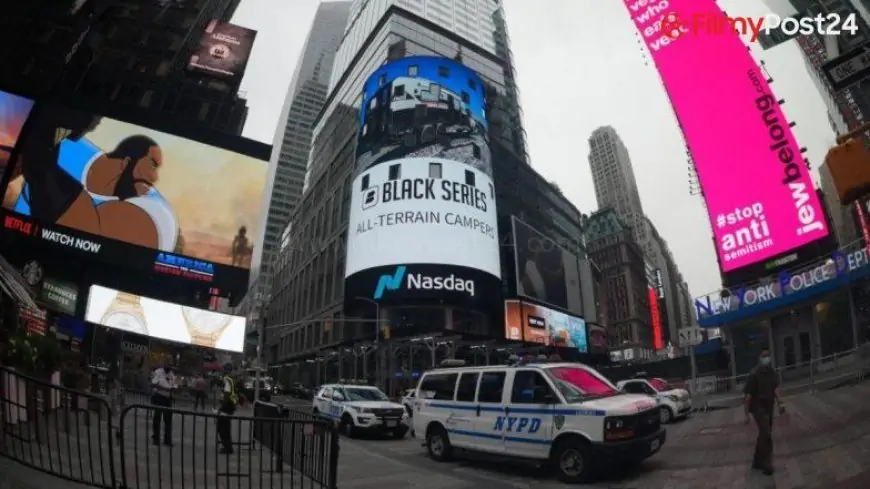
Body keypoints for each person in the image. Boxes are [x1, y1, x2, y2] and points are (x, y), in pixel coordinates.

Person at [743, 348, 784, 475]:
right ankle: (767, 464)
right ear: (759, 358)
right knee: (766, 432)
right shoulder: (754, 374)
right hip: (758, 407)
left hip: (769, 406)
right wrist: (746, 415)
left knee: (764, 433)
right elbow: (748, 397)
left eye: (768, 355)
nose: (766, 358)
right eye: (764, 356)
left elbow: (775, 387)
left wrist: (780, 402)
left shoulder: (771, 372)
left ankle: (757, 460)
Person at [151, 362, 176, 446]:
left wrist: (172, 392)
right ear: (164, 365)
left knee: (168, 420)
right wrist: (166, 389)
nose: (169, 367)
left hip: (168, 399)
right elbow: (154, 384)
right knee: (157, 418)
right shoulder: (158, 372)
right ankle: (156, 438)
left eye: (171, 365)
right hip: (159, 397)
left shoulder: (171, 374)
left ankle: (167, 440)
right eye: (168, 365)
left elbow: (173, 386)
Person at [217, 364, 238, 454]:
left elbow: (226, 393)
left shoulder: (227, 379)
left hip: (227, 406)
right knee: (226, 427)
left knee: (222, 428)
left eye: (223, 370)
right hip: (230, 406)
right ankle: (228, 447)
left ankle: (227, 448)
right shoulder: (231, 379)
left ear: (225, 370)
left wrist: (221, 408)